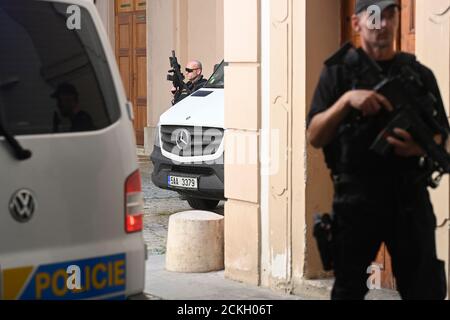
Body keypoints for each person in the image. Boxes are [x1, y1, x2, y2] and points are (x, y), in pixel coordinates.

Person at [307, 0, 448, 300]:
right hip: (357, 199)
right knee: (348, 290)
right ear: (356, 24)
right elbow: (315, 135)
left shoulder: (419, 75)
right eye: (373, 16)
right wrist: (346, 101)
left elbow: (445, 137)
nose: (381, 23)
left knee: (424, 290)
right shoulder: (338, 74)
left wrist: (420, 146)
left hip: (409, 197)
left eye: (389, 14)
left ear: (397, 20)